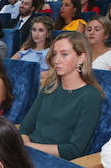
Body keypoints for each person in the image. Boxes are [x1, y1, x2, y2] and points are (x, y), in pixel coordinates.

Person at [20, 32, 104, 160]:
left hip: (56, 163)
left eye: (64, 54)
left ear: (81, 58)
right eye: (54, 54)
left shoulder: (91, 96)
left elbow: (74, 150)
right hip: (28, 153)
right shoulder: (49, 88)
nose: (56, 60)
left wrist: (29, 147)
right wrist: (25, 146)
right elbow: (25, 128)